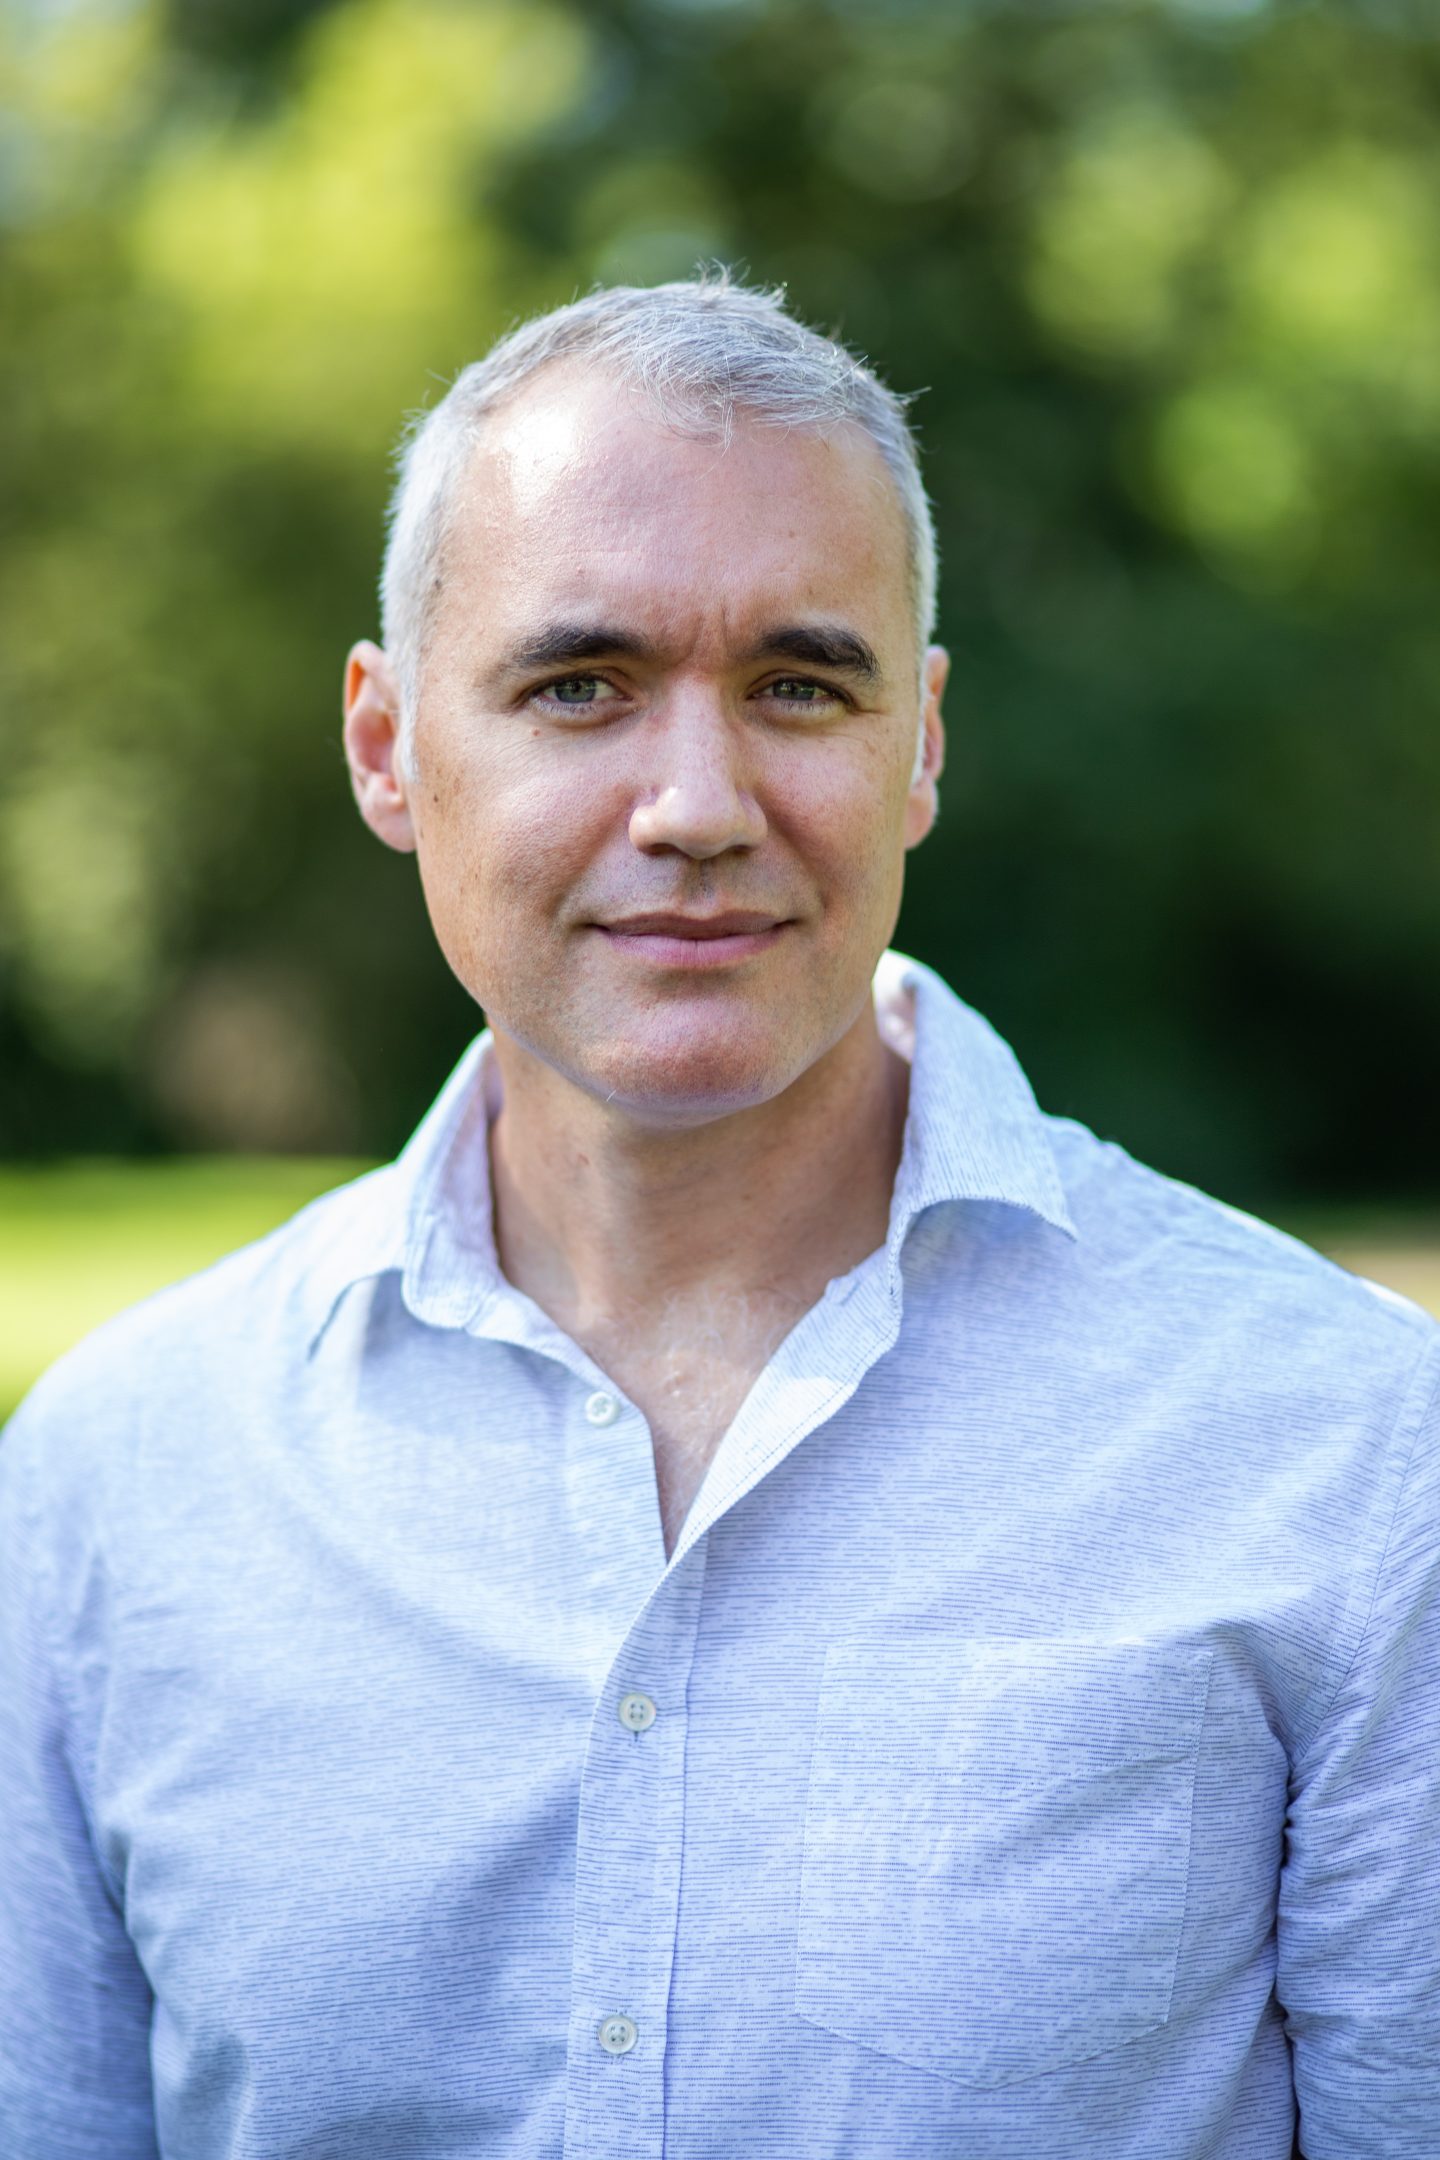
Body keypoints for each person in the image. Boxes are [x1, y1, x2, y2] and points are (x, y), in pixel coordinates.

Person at [1, 273, 1437, 2160]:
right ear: (386, 744)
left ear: (917, 741)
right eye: (579, 683)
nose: (695, 801)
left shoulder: (1347, 1450)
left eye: (798, 685)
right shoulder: (114, 1481)